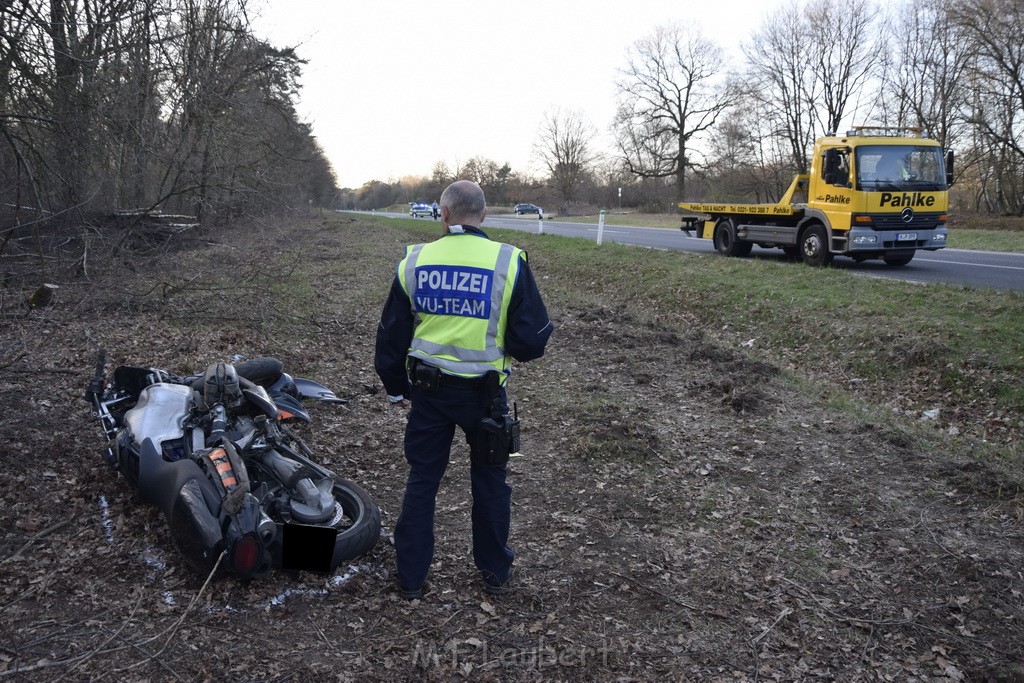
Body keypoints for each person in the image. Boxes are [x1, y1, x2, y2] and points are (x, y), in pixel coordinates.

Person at [374, 179, 553, 599]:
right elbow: (531, 342)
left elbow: (391, 335)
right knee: (491, 483)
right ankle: (494, 574)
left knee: (422, 480)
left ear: (445, 214)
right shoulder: (508, 262)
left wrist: (394, 387)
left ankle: (411, 580)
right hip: (486, 398)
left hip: (428, 394)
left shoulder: (414, 262)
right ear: (484, 215)